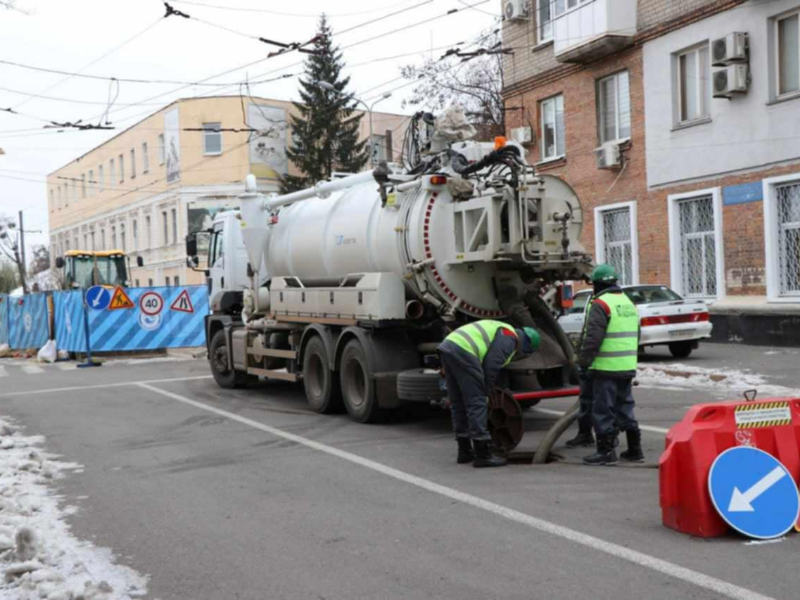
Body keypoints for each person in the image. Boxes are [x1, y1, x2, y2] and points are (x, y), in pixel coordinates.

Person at [438, 320, 541, 468]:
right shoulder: (510, 337)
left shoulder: (502, 330)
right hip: (464, 350)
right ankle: (482, 455)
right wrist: (484, 391)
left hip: (448, 347)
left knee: (458, 403)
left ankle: (464, 451)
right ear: (526, 345)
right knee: (476, 402)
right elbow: (490, 365)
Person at [577, 264, 644, 466]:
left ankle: (606, 451)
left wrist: (584, 363)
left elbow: (593, 338)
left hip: (605, 367)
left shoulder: (601, 303)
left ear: (597, 284)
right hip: (626, 365)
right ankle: (635, 449)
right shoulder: (628, 302)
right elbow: (637, 335)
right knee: (625, 406)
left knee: (603, 409)